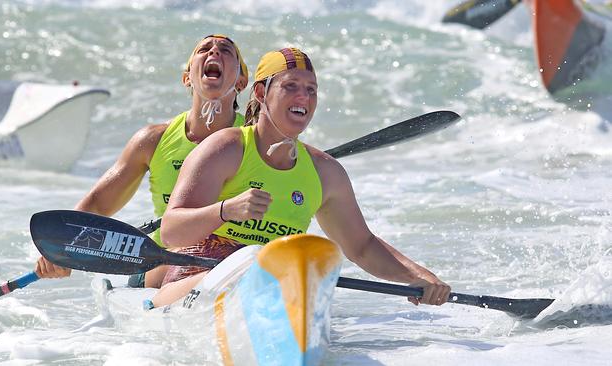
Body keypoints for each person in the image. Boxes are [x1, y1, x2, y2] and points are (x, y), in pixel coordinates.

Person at [154, 47, 451, 307]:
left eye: (311, 90)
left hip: (271, 287)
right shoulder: (226, 148)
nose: (303, 97)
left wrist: (418, 276)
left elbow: (362, 246)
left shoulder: (326, 172)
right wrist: (225, 210)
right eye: (291, 86)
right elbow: (171, 231)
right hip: (195, 279)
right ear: (260, 92)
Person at [34, 35, 249, 288]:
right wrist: (62, 249)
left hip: (234, 265)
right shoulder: (153, 140)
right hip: (161, 265)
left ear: (242, 82)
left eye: (225, 50)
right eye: (204, 49)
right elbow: (99, 204)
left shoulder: (257, 141)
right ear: (187, 77)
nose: (214, 52)